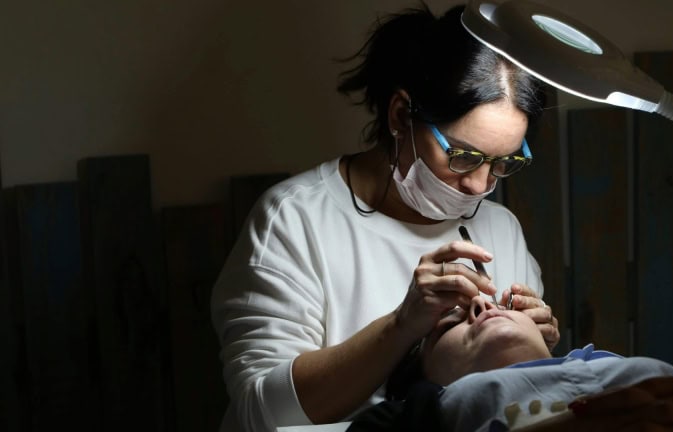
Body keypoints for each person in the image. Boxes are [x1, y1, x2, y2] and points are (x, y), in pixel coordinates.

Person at [210, 4, 560, 432]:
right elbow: (262, 412)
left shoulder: (501, 228)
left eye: (504, 162)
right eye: (463, 156)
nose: (480, 185)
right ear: (400, 116)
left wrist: (531, 348)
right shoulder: (294, 219)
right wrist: (400, 326)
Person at [349, 295, 673, 432]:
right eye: (451, 322)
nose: (480, 304)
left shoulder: (622, 364)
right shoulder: (422, 409)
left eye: (501, 304)